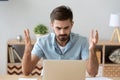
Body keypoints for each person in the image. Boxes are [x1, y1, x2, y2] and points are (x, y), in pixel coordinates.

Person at [22, 5, 99, 77]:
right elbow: (26, 71)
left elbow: (93, 73)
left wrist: (92, 50)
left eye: (66, 28)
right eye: (58, 28)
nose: (62, 32)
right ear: (52, 25)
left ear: (72, 25)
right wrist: (27, 51)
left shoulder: (82, 41)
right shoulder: (42, 42)